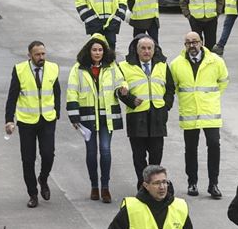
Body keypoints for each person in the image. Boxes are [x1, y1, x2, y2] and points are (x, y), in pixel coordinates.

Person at [67, 33, 135, 203]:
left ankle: (105, 187)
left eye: (100, 50)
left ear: (104, 51)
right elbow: (72, 91)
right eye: (94, 50)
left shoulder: (111, 67)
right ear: (88, 51)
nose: (97, 53)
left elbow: (121, 82)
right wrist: (74, 116)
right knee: (91, 152)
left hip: (107, 117)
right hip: (88, 116)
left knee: (105, 151)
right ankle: (94, 187)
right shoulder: (78, 68)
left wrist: (123, 89)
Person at [168, 32, 228, 199]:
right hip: (190, 113)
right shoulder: (176, 64)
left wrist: (211, 97)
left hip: (210, 112)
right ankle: (192, 182)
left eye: (195, 42)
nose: (192, 45)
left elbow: (223, 81)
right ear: (184, 45)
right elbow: (172, 86)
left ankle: (213, 183)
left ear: (201, 42)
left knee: (214, 145)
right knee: (191, 149)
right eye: (188, 43)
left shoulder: (215, 61)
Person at [5, 41, 60, 208]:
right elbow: (12, 96)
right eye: (37, 54)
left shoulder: (53, 68)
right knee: (28, 160)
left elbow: (56, 91)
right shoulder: (20, 69)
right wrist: (9, 120)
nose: (41, 57)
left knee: (48, 154)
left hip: (47, 120)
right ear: (29, 56)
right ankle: (33, 193)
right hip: (27, 121)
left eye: (43, 54)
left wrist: (57, 112)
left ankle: (43, 178)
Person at [121, 35, 173, 185]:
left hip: (157, 116)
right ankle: (142, 184)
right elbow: (120, 89)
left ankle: (154, 184)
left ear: (154, 50)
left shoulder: (162, 65)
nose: (146, 51)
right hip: (137, 116)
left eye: (149, 48)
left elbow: (170, 88)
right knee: (139, 155)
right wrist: (130, 100)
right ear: (136, 50)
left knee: (156, 155)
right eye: (143, 48)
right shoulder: (124, 66)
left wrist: (166, 106)